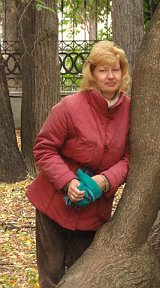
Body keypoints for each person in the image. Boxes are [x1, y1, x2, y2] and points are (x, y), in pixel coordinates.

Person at [26, 40, 131, 287]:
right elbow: (43, 148)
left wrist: (105, 180)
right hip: (53, 203)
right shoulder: (70, 106)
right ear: (92, 74)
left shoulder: (131, 110)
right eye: (103, 70)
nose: (110, 76)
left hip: (94, 208)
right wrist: (68, 181)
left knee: (81, 276)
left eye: (115, 69)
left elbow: (131, 157)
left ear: (122, 72)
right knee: (51, 275)